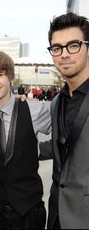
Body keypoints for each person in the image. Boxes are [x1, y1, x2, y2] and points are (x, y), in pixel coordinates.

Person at [0, 51, 51, 229]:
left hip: (29, 211)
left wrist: (39, 150)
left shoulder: (34, 110)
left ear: (10, 77)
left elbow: (65, 134)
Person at [39, 12, 89, 229]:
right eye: (57, 48)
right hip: (57, 215)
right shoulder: (56, 101)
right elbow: (64, 145)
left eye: (73, 45)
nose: (64, 54)